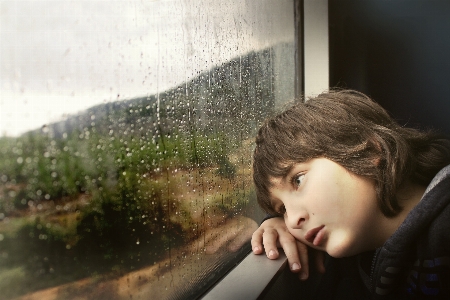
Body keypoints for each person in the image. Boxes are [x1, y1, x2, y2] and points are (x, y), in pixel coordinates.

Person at [250, 90, 450, 299]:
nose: (292, 220)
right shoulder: (351, 260)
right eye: (282, 208)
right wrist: (274, 223)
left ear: (369, 150)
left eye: (298, 180)